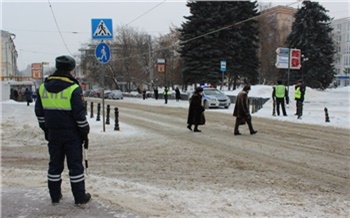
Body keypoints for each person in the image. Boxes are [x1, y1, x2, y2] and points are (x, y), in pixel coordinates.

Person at [35, 55, 91, 207]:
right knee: (75, 167)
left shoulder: (43, 87)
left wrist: (46, 129)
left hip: (53, 133)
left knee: (54, 165)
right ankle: (80, 198)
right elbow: (79, 116)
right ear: (71, 69)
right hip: (72, 135)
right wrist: (85, 131)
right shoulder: (74, 88)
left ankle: (55, 196)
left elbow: (39, 113)